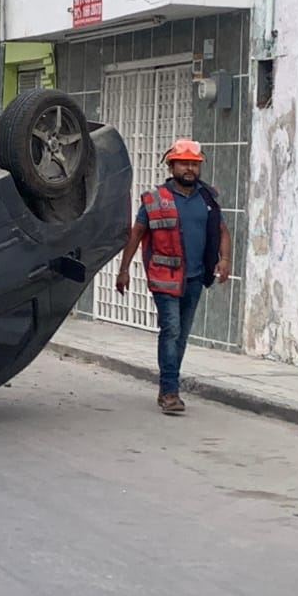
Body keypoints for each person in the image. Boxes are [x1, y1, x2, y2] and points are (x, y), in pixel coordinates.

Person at [114, 139, 232, 415]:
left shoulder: (208, 199)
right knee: (171, 330)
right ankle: (170, 392)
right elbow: (137, 234)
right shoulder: (155, 199)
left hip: (195, 277)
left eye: (195, 164)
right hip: (164, 277)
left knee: (181, 335)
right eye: (184, 163)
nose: (190, 168)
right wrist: (123, 269)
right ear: (172, 166)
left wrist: (225, 259)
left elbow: (223, 231)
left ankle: (168, 385)